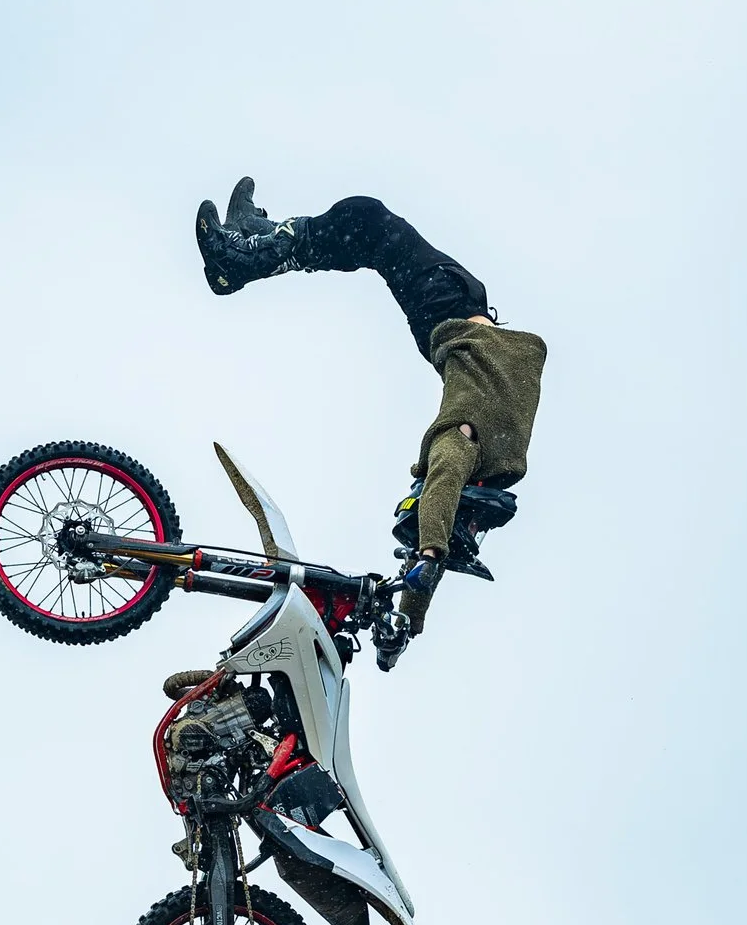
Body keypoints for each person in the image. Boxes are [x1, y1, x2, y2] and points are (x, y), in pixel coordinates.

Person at [192, 180, 547, 648]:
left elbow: (440, 499)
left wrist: (428, 556)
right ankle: (257, 242)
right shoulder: (479, 462)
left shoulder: (463, 448)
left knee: (368, 220)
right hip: (465, 314)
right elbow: (436, 525)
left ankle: (245, 257)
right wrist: (408, 623)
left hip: (450, 311)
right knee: (368, 227)